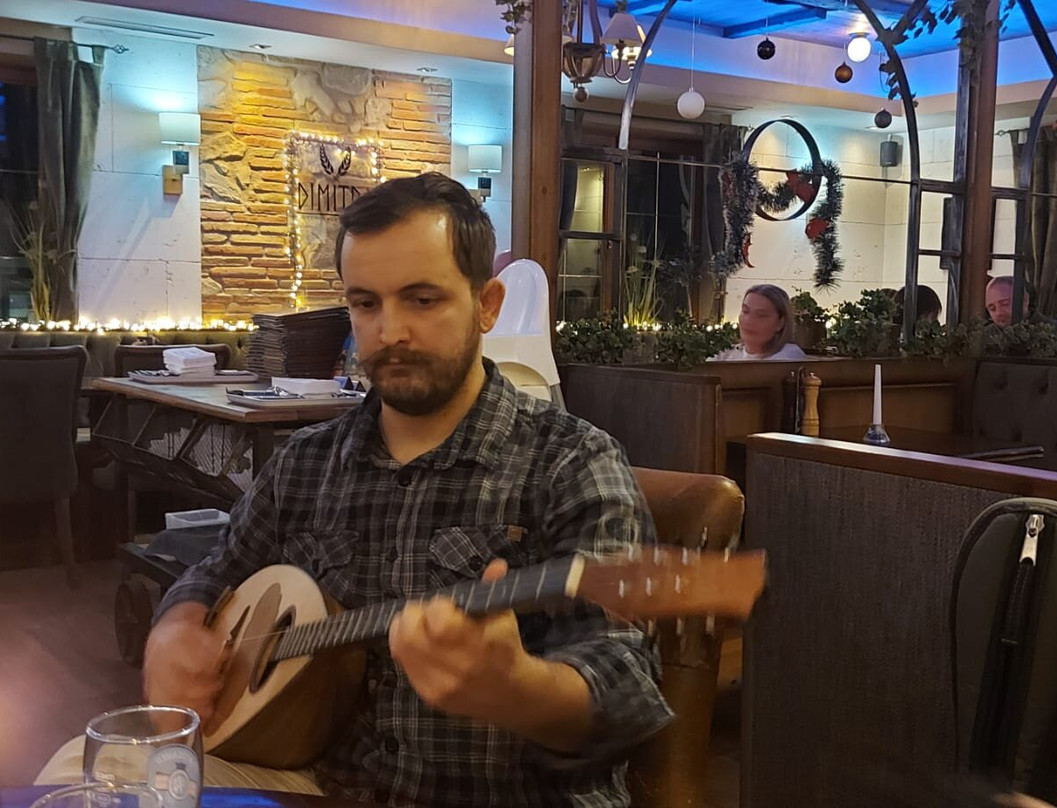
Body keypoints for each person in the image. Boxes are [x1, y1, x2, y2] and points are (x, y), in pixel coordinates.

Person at [37, 174, 673, 805]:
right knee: (82, 771)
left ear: (487, 304)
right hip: (319, 781)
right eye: (366, 304)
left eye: (422, 299)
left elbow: (627, 688)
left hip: (500, 796)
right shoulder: (307, 460)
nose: (389, 331)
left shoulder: (571, 462)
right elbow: (217, 567)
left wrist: (520, 690)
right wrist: (173, 628)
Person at [711, 283, 808, 361]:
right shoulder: (725, 354)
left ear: (780, 323)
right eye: (745, 311)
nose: (749, 320)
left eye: (761, 315)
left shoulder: (789, 354)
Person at [985, 276, 1057, 337]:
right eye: (992, 308)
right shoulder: (983, 338)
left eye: (1005, 304)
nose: (999, 312)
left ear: (1025, 300)